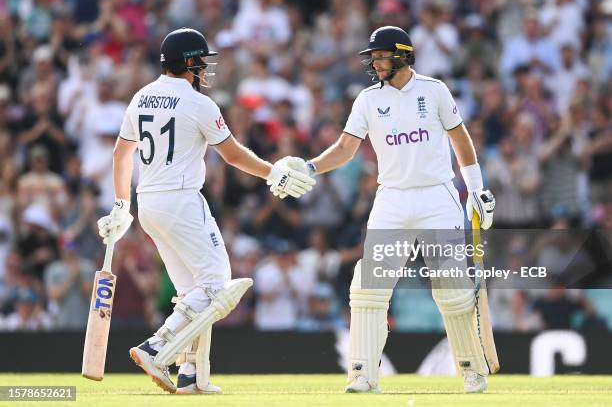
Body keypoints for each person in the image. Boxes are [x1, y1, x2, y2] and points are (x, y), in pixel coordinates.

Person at [275, 26, 496, 393]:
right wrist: (311, 166)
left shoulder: (434, 89)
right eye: (373, 58)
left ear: (403, 56)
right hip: (391, 198)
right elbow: (346, 148)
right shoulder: (366, 100)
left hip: (436, 196)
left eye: (380, 57)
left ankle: (471, 369)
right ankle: (363, 374)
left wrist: (476, 189)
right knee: (367, 288)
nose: (375, 64)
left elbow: (460, 139)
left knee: (452, 288)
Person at [96, 28, 315, 394]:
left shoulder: (142, 96)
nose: (204, 69)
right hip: (181, 199)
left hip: (148, 201)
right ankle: (156, 346)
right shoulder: (199, 104)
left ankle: (192, 376)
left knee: (193, 293)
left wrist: (121, 205)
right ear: (189, 63)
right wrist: (272, 171)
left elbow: (121, 154)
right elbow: (230, 154)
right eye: (201, 61)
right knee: (216, 283)